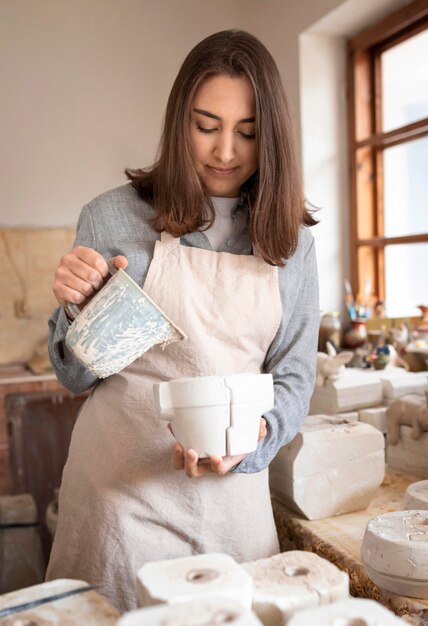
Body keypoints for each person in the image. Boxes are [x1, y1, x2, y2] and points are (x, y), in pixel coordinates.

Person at [46, 29, 320, 611]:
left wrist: (256, 439)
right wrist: (79, 311)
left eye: (247, 133)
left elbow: (295, 378)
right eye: (206, 126)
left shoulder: (291, 242)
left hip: (232, 502)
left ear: (271, 137)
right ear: (179, 123)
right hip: (117, 504)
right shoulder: (112, 219)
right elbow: (76, 378)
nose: (226, 152)